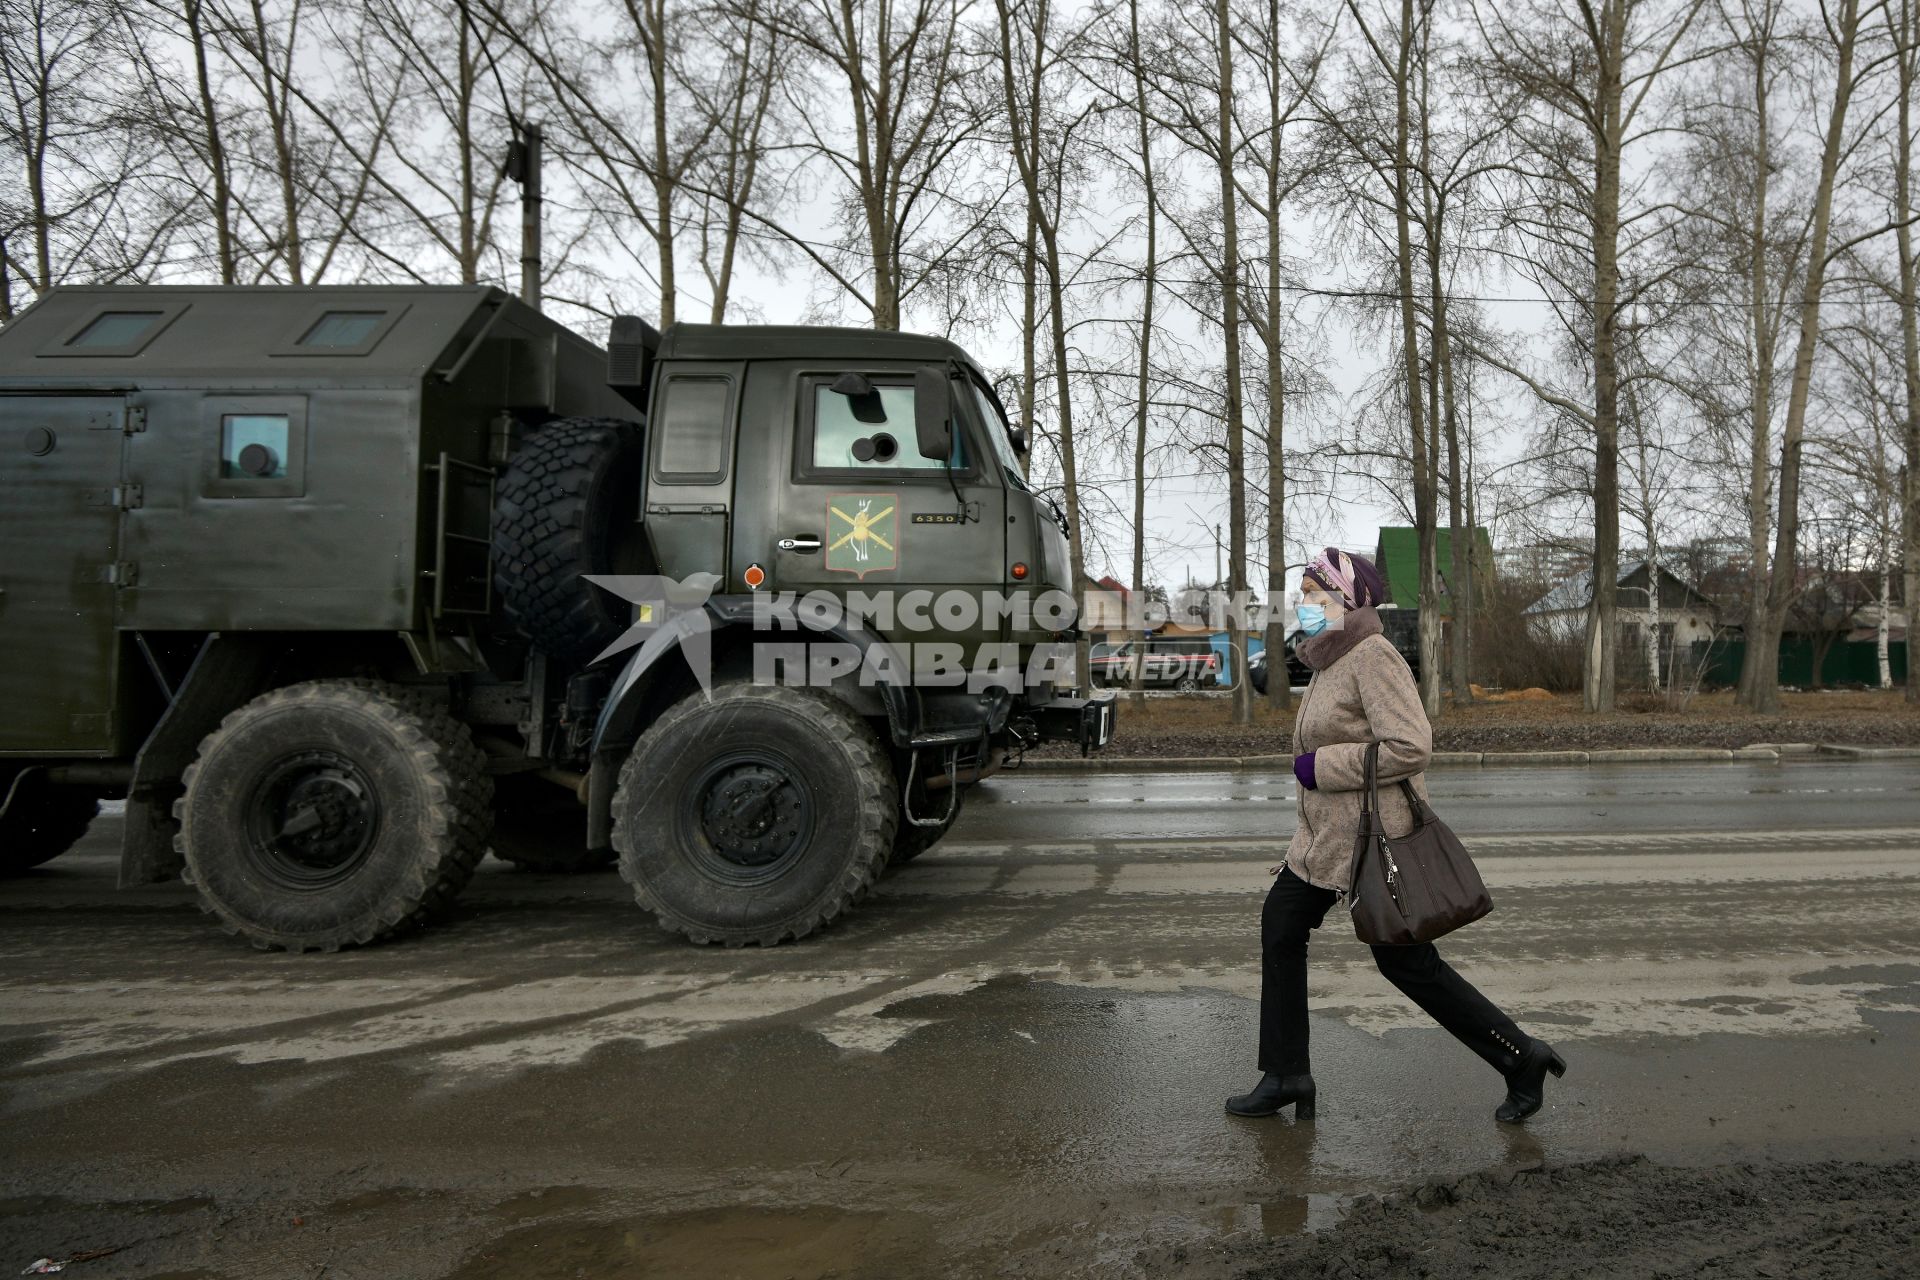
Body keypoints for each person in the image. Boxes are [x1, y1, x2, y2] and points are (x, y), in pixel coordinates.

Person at [1225, 547, 1565, 1124]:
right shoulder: (1330, 658)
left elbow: (1412, 746)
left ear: (1348, 599)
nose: (1303, 606)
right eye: (1303, 594)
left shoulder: (1373, 656)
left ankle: (1521, 1058)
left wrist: (1322, 767)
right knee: (1281, 924)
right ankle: (1286, 1074)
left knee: (1406, 964)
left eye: (1314, 594)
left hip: (1370, 843)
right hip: (1324, 842)